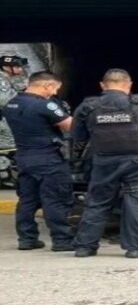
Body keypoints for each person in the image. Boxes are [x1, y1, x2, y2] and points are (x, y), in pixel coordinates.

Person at [71, 69, 138, 258]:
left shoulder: (88, 107)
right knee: (136, 200)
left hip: (104, 161)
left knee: (98, 202)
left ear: (103, 85)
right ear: (129, 84)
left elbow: (78, 137)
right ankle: (136, 247)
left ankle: (85, 246)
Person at [1, 71, 75, 251]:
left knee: (27, 200)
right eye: (55, 89)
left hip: (24, 158)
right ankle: (62, 240)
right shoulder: (46, 105)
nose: (55, 93)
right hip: (48, 159)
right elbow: (70, 126)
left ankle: (26, 239)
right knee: (55, 199)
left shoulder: (12, 103)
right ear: (46, 86)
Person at [0, 55, 29, 150]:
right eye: (17, 67)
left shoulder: (4, 78)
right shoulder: (1, 80)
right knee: (8, 144)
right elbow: (4, 100)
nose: (20, 69)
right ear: (5, 67)